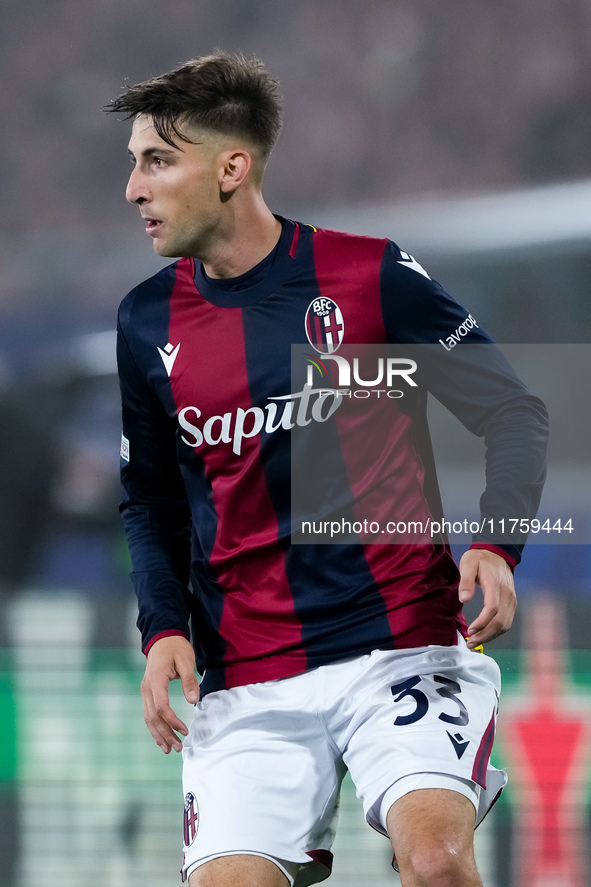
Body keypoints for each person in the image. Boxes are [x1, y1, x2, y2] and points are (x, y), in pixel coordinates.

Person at [107, 53, 548, 887]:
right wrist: (163, 626)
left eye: (156, 160)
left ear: (231, 168)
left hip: (402, 648)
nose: (134, 186)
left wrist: (497, 539)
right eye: (134, 162)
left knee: (437, 862)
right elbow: (151, 500)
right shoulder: (145, 322)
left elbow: (511, 409)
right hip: (247, 677)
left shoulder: (369, 276)